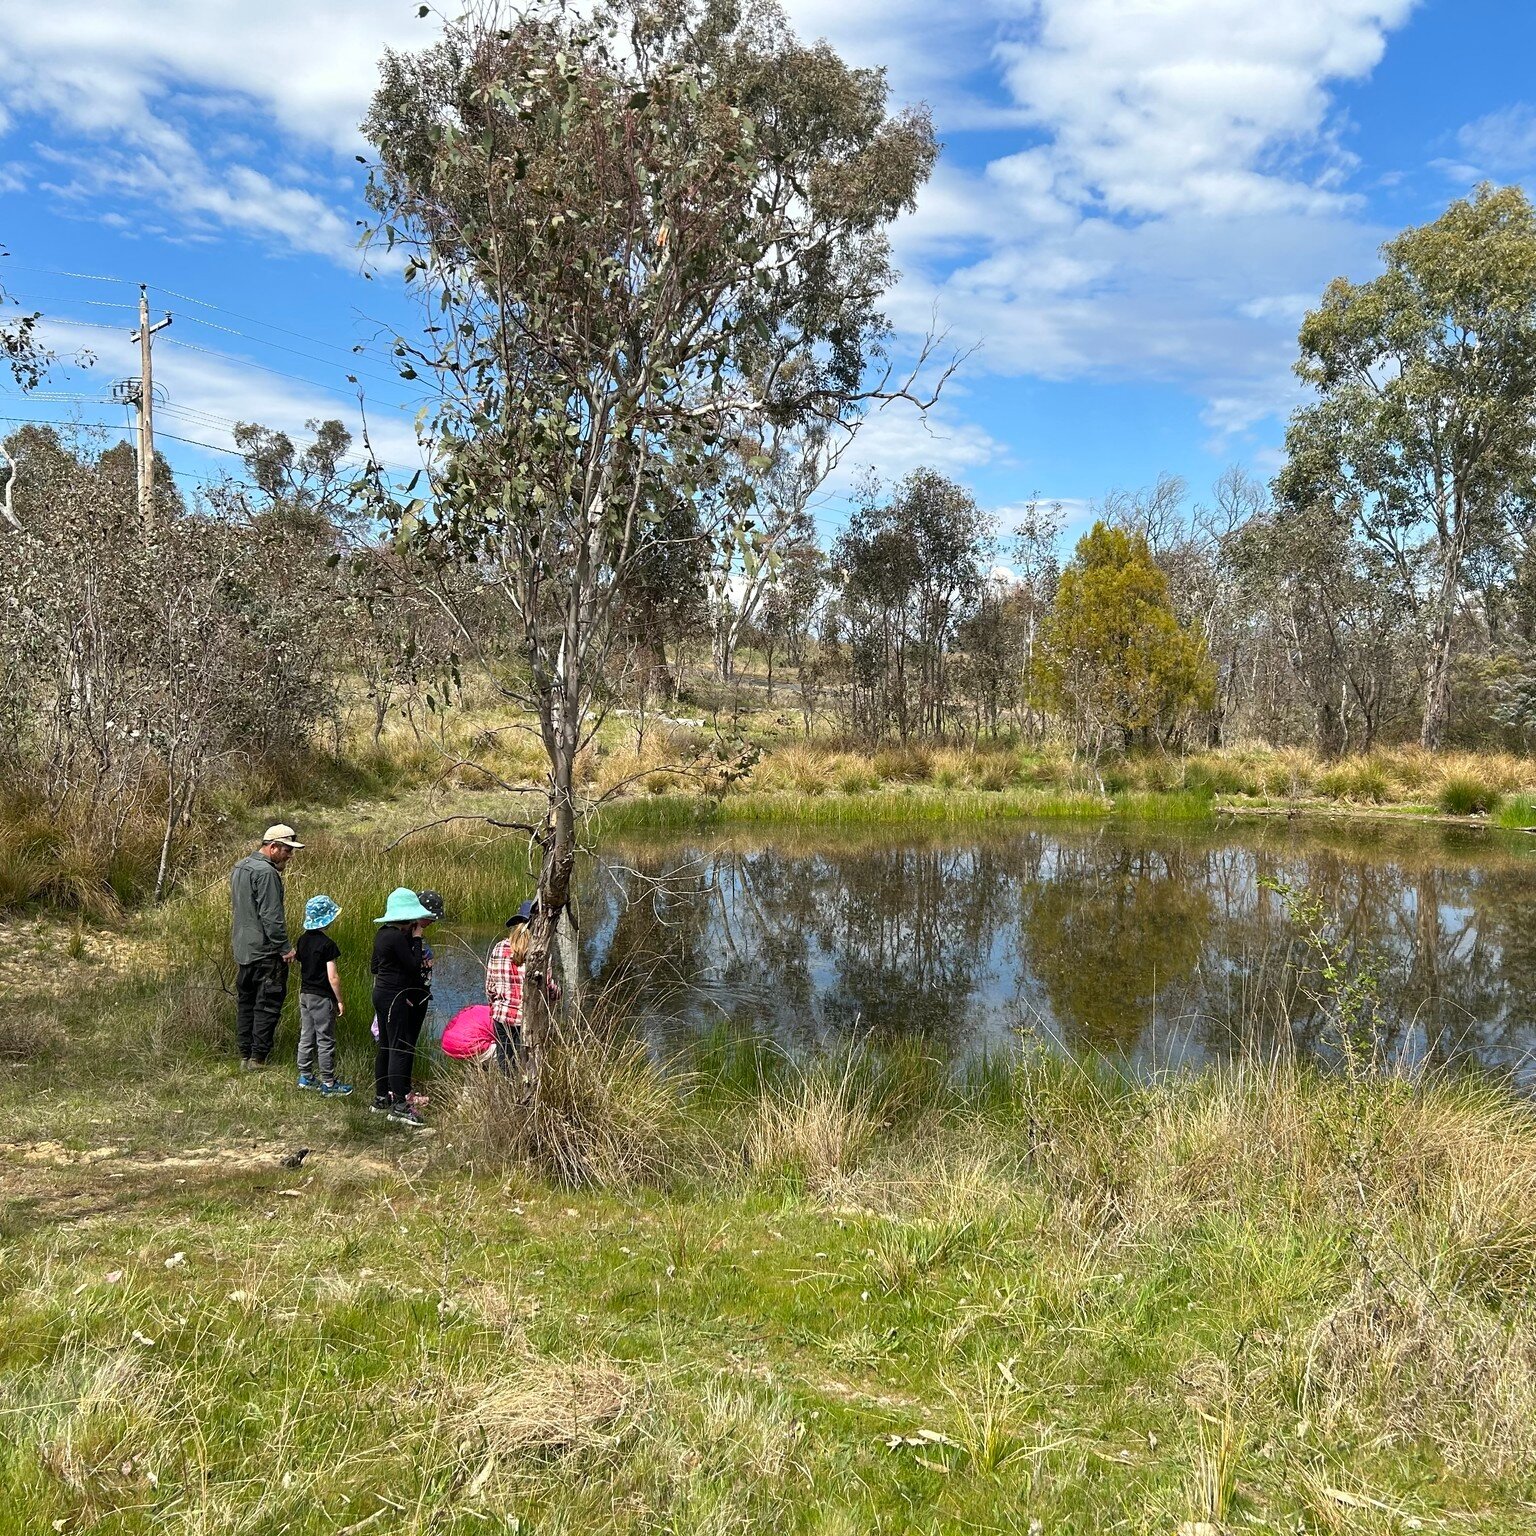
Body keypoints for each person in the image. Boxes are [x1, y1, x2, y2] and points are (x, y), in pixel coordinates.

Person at [229, 823, 303, 1070]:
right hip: (265, 952)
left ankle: (244, 1055)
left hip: (243, 950)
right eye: (287, 850)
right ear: (273, 847)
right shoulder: (267, 873)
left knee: (246, 1003)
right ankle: (258, 1059)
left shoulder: (240, 867)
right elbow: (271, 916)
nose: (290, 856)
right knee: (267, 1004)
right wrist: (284, 947)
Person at [370, 887, 436, 1128]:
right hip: (393, 997)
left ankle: (380, 1098)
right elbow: (413, 965)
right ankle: (399, 1105)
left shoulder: (381, 934)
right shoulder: (398, 937)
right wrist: (417, 939)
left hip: (381, 994)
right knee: (397, 1048)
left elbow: (374, 967)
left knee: (386, 1046)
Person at [485, 899, 558, 1072]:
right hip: (527, 1018)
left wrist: (495, 1006)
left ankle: (506, 1093)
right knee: (527, 1065)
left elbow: (490, 988)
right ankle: (525, 1095)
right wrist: (557, 991)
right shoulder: (540, 953)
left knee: (506, 1064)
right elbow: (548, 989)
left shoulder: (499, 948)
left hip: (502, 1016)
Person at [294, 895, 352, 1098]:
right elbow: (333, 977)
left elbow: (301, 962)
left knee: (306, 1035)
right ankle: (328, 1082)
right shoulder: (327, 945)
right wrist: (339, 1000)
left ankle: (305, 1075)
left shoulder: (302, 940)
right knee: (325, 1038)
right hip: (321, 997)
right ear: (327, 919)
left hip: (305, 994)